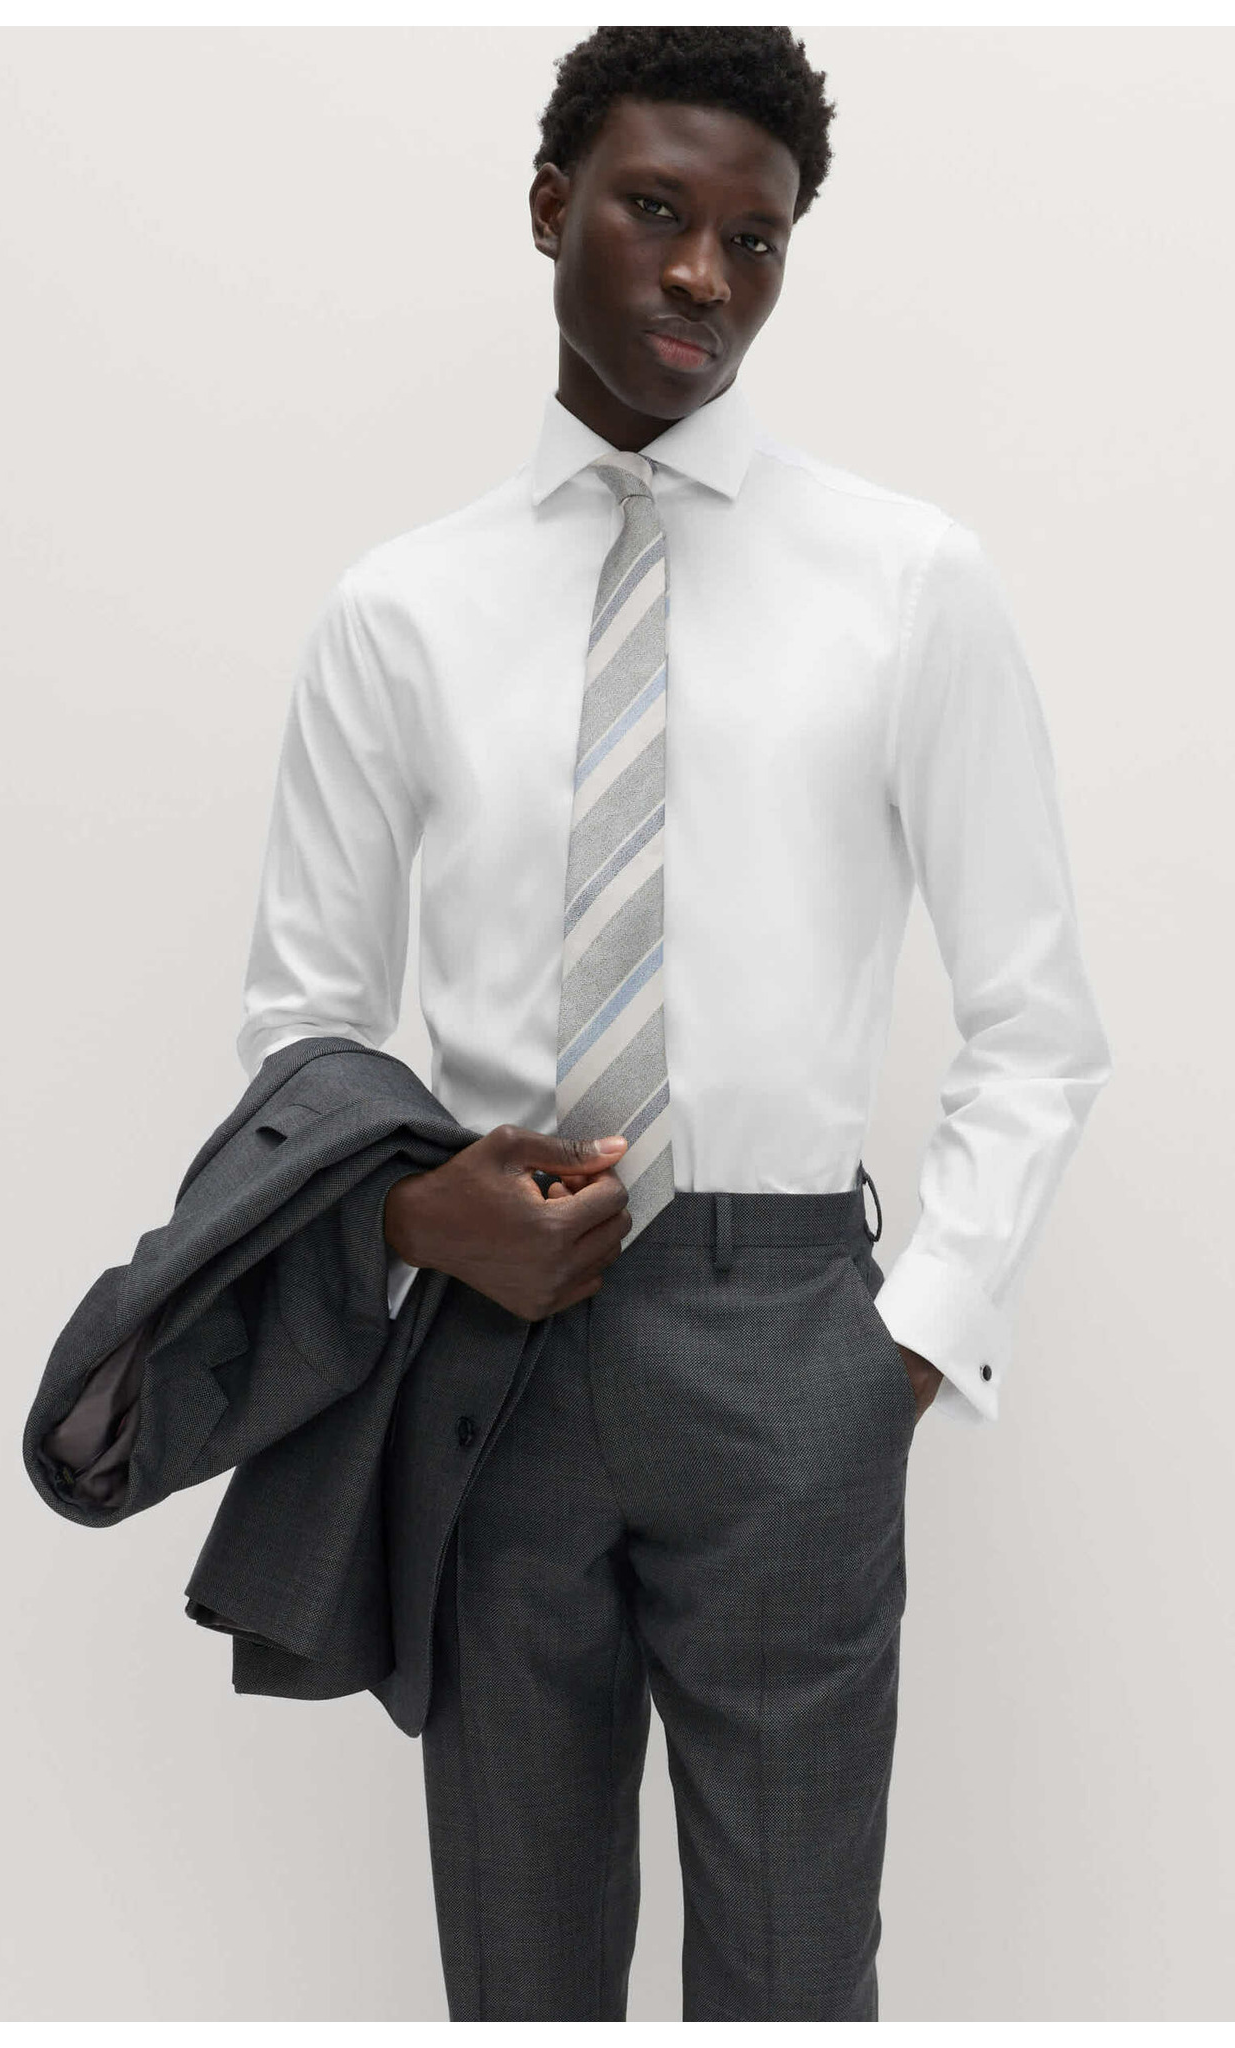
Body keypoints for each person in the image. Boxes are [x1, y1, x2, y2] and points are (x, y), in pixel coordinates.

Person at [235, 25, 1112, 2021]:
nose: (707, 272)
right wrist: (412, 1216)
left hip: (785, 1338)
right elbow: (303, 1031)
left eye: (757, 237)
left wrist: (895, 1353)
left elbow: (1038, 1022)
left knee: (795, 1974)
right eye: (655, 209)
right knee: (519, 1969)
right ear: (553, 207)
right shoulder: (401, 612)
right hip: (492, 1354)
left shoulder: (910, 583)